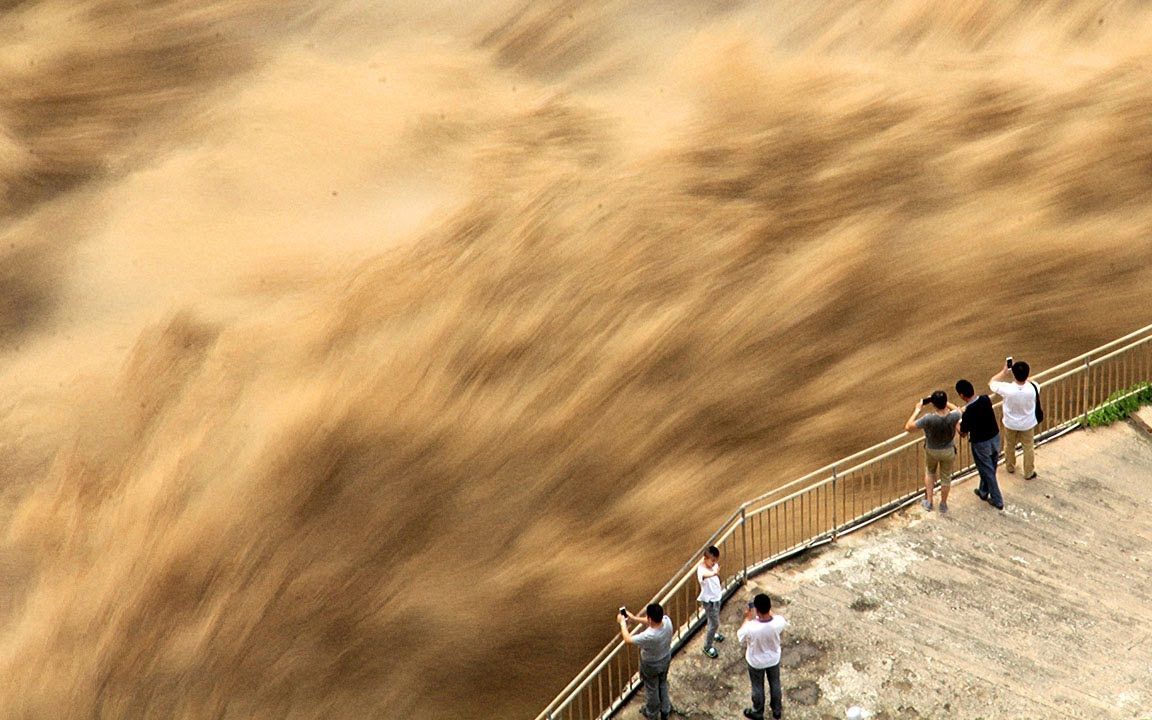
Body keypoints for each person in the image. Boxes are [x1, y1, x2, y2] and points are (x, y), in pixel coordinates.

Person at [904, 390, 962, 512]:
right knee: (946, 477)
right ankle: (943, 504)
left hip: (932, 450)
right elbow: (958, 409)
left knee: (930, 473)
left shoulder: (928, 418)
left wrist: (917, 410)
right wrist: (946, 403)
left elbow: (908, 427)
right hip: (948, 450)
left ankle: (929, 502)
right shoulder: (954, 415)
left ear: (934, 404)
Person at [738, 592, 788, 720]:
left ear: (757, 610)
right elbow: (775, 619)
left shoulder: (751, 627)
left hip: (756, 661)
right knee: (775, 683)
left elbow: (740, 636)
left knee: (757, 687)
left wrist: (747, 618)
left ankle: (758, 712)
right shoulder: (779, 621)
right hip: (773, 658)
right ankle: (777, 710)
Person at [619, 603, 673, 720]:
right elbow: (651, 622)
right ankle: (665, 709)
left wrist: (622, 623)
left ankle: (651, 713)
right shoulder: (667, 621)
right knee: (662, 683)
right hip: (666, 658)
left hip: (651, 665)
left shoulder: (649, 635)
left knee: (651, 688)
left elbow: (627, 639)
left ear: (649, 618)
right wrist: (633, 618)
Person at [956, 379, 1004, 510]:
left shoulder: (969, 412)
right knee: (990, 467)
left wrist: (956, 421)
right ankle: (983, 492)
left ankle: (997, 499)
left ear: (961, 395)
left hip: (981, 444)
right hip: (995, 438)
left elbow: (963, 433)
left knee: (987, 470)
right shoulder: (985, 399)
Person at [989, 358, 1039, 479]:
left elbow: (992, 382)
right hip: (1027, 423)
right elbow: (1032, 382)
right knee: (1028, 447)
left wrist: (1004, 371)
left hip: (1010, 423)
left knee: (1009, 445)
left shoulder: (1007, 388)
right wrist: (1025, 376)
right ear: (1027, 373)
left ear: (1014, 374)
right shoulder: (1034, 387)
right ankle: (1028, 472)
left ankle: (1010, 466)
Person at [697, 546, 724, 658]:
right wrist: (714, 573)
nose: (714, 563)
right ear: (705, 558)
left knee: (713, 620)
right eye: (712, 561)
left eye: (715, 561)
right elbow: (704, 576)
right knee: (715, 623)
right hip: (710, 601)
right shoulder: (701, 570)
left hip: (716, 597)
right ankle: (707, 646)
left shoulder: (714, 565)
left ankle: (712, 634)